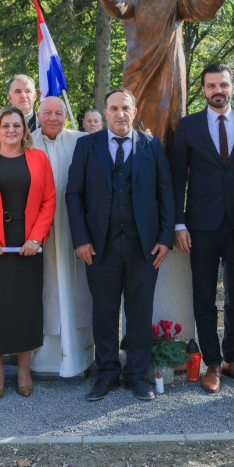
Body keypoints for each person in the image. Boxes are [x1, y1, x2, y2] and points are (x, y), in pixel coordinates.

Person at [66, 88, 174, 402]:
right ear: (106, 111)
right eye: (114, 108)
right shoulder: (87, 146)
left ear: (134, 110)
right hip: (100, 247)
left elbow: (165, 194)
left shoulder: (152, 146)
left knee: (140, 312)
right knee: (104, 311)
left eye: (125, 108)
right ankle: (107, 374)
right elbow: (74, 195)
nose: (120, 114)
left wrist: (165, 239)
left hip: (145, 247)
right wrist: (81, 239)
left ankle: (137, 376)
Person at [170, 63, 234, 393]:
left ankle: (233, 359)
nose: (217, 90)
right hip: (200, 226)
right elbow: (177, 178)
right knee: (204, 296)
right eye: (211, 85)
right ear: (203, 90)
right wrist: (179, 223)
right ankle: (212, 363)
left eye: (223, 84)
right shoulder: (188, 126)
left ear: (233, 87)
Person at [86, 0, 231, 152]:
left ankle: (171, 167)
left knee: (171, 116)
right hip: (139, 70)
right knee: (136, 114)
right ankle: (136, 160)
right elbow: (116, 6)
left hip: (169, 70)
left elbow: (198, 8)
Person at [0, 106, 55, 399]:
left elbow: (48, 200)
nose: (11, 130)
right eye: (5, 126)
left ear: (24, 130)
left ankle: (24, 368)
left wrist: (36, 238)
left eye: (17, 125)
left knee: (27, 306)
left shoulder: (39, 158)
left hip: (28, 245)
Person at [30, 97, 94, 377]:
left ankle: (80, 355)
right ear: (38, 114)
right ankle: (43, 359)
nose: (53, 117)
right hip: (36, 230)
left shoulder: (84, 141)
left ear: (67, 116)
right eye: (47, 112)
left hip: (75, 226)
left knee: (78, 287)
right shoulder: (24, 141)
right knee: (44, 289)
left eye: (59, 112)